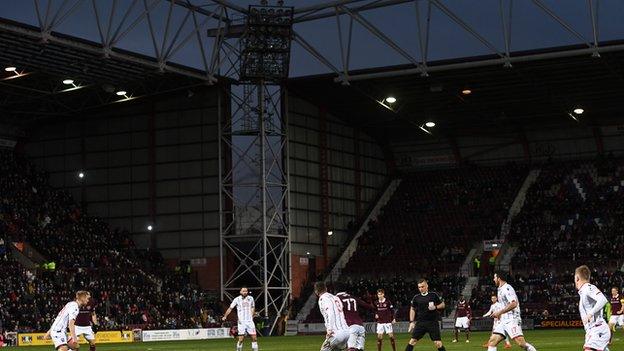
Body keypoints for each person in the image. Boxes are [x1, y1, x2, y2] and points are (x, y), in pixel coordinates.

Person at [487, 271, 537, 351]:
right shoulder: (499, 289)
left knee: (521, 343)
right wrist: (499, 314)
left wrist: (499, 312)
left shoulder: (507, 288)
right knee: (492, 342)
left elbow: (514, 304)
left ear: (499, 278)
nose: (493, 279)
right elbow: (504, 304)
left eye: (494, 277)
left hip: (512, 319)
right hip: (503, 320)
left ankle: (531, 349)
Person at [575, 265, 611, 351]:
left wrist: (590, 313)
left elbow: (603, 299)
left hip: (598, 329)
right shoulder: (583, 292)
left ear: (577, 278)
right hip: (592, 331)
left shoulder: (588, 288)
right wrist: (588, 331)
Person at [405, 279, 446, 351]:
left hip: (432, 322)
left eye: (422, 287)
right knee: (412, 341)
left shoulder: (433, 295)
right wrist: (411, 322)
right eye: (419, 287)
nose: (421, 289)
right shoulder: (416, 297)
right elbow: (412, 309)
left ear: (427, 286)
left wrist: (435, 307)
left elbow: (442, 305)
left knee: (438, 343)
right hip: (421, 323)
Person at [315, 281, 349, 351]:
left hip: (336, 333)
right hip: (347, 332)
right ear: (326, 288)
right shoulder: (336, 297)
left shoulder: (323, 299)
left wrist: (329, 329)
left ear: (316, 291)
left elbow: (330, 313)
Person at [336, 286, 373, 351]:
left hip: (350, 326)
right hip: (361, 326)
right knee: (360, 349)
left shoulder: (336, 298)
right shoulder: (353, 297)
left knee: (351, 349)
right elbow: (368, 306)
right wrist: (370, 301)